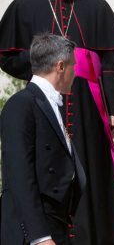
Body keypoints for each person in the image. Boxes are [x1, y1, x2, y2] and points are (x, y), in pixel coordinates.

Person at [0, 0, 114, 244]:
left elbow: (109, 62)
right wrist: (44, 65)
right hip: (43, 104)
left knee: (92, 172)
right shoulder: (24, 6)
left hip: (89, 109)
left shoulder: (96, 7)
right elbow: (7, 58)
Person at [1, 33, 86, 245]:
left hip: (56, 224)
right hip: (32, 232)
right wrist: (40, 236)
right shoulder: (21, 104)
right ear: (60, 67)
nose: (75, 73)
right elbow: (19, 175)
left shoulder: (49, 104)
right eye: (73, 66)